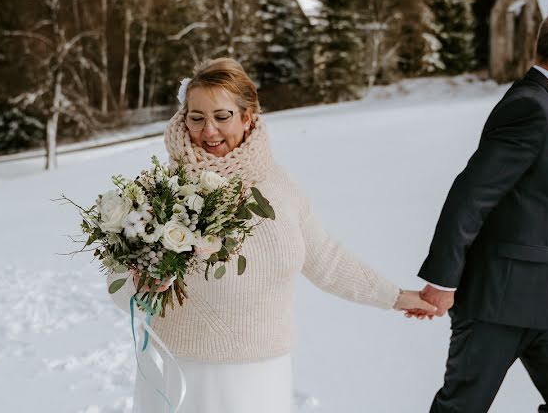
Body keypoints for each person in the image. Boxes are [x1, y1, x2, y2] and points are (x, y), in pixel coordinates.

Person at [109, 57, 435, 413]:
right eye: (196, 117)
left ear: (247, 117)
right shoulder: (159, 191)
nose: (208, 131)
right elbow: (120, 279)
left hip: (262, 371)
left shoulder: (279, 186)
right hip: (186, 370)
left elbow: (325, 258)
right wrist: (142, 284)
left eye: (222, 116)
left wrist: (395, 296)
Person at [413, 9, 548, 412]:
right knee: (461, 408)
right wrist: (444, 279)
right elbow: (472, 193)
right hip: (498, 302)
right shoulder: (532, 106)